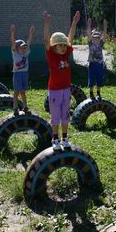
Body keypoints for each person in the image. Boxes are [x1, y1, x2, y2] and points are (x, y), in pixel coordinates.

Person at [43, 10, 80, 149]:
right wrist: (46, 24)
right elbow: (46, 40)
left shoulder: (66, 55)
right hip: (55, 91)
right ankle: (55, 140)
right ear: (53, 47)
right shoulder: (51, 56)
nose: (63, 47)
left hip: (66, 90)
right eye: (60, 45)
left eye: (64, 45)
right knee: (55, 116)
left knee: (65, 115)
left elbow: (70, 39)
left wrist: (74, 23)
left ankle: (64, 138)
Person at [10, 24, 35, 116]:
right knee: (16, 92)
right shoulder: (15, 54)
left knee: (23, 92)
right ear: (16, 49)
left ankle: (25, 107)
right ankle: (15, 108)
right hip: (17, 74)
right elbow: (13, 43)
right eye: (21, 48)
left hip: (25, 74)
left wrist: (31, 33)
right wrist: (12, 32)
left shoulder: (26, 54)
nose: (24, 49)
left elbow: (28, 42)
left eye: (24, 48)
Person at [87, 18, 108, 98]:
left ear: (99, 38)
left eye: (98, 37)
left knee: (99, 79)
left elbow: (105, 35)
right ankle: (91, 92)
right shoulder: (90, 44)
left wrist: (105, 26)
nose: (96, 39)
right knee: (91, 79)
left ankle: (98, 92)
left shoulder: (100, 44)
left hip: (99, 65)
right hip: (92, 64)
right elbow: (88, 34)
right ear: (92, 38)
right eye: (94, 37)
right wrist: (89, 25)